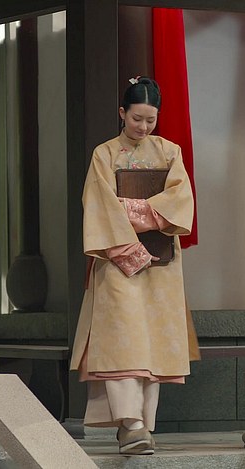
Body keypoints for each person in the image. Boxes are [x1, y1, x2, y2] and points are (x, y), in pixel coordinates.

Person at [69, 77, 199, 456]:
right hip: (117, 259)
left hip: (161, 264)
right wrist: (141, 223)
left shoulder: (170, 152)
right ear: (122, 113)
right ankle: (131, 424)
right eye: (137, 118)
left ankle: (143, 425)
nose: (143, 127)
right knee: (121, 338)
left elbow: (181, 200)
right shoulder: (105, 154)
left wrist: (130, 208)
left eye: (150, 120)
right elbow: (99, 205)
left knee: (151, 340)